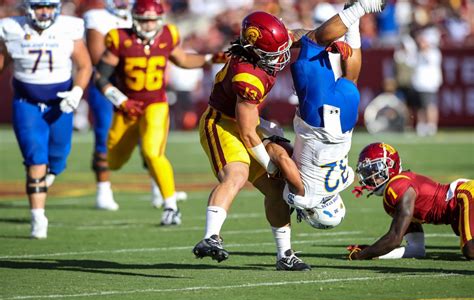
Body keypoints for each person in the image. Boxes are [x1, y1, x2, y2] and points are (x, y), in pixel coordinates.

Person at [192, 0, 384, 270]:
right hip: (223, 124)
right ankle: (211, 236)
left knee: (276, 190)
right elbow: (247, 134)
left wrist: (325, 42)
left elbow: (304, 36)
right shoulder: (247, 75)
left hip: (253, 123)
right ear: (254, 50)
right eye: (274, 52)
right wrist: (270, 162)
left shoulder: (263, 48)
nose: (281, 56)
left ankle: (285, 255)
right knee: (237, 174)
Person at [94, 0, 223, 225]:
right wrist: (121, 100)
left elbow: (182, 59)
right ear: (135, 19)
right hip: (126, 109)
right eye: (144, 20)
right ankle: (166, 199)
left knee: (154, 153)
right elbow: (100, 78)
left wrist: (210, 58)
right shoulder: (119, 38)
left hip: (155, 104)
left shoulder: (167, 35)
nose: (148, 25)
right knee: (113, 161)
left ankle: (170, 206)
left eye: (153, 20)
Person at [264, 0, 385, 229]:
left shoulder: (345, 180)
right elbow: (280, 157)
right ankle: (362, 7)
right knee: (314, 41)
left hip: (346, 123)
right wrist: (264, 141)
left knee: (350, 78)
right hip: (320, 120)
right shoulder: (304, 197)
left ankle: (354, 21)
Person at [0, 0, 92, 238]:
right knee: (35, 159)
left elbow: (84, 66)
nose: (45, 11)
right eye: (40, 6)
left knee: (58, 158)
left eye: (50, 7)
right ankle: (38, 216)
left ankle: (45, 179)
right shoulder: (11, 28)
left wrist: (77, 92)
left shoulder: (68, 27)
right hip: (26, 104)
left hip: (60, 103)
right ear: (29, 8)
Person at [347, 142, 473, 260]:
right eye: (368, 171)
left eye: (375, 169)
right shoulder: (391, 201)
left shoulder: (397, 185)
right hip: (457, 210)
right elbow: (416, 250)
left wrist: (362, 255)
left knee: (470, 250)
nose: (371, 176)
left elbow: (394, 239)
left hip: (464, 194)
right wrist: (373, 252)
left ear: (391, 166)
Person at [83, 0, 133, 211]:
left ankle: (159, 190)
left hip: (134, 84)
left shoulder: (139, 14)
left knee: (148, 134)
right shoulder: (97, 17)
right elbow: (97, 57)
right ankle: (103, 189)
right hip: (107, 84)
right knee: (104, 132)